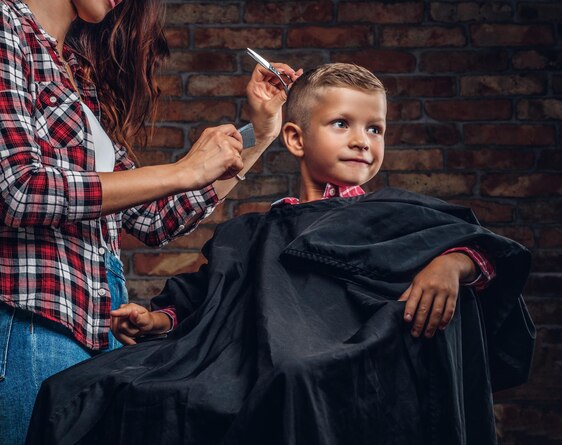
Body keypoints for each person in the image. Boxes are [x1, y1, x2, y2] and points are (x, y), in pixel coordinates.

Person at [27, 64, 535, 445]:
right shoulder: (252, 231)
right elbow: (209, 295)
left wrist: (453, 263)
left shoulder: (401, 215)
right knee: (81, 392)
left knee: (294, 382)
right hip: (249, 366)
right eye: (342, 124)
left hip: (349, 376)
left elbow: (488, 250)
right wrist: (158, 319)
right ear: (294, 137)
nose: (362, 140)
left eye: (374, 128)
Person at [0, 0, 301, 443]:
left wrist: (259, 135)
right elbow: (21, 189)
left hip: (96, 337)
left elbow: (154, 219)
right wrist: (184, 169)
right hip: (30, 328)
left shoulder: (74, 74)